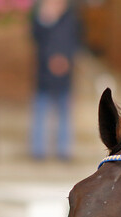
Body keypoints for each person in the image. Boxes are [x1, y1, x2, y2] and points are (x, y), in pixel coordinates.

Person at [30, 0, 80, 160]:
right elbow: (37, 39)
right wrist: (46, 20)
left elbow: (76, 43)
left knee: (64, 114)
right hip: (44, 76)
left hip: (65, 76)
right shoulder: (41, 19)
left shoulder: (72, 20)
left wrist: (66, 60)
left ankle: (63, 150)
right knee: (40, 112)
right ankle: (38, 150)